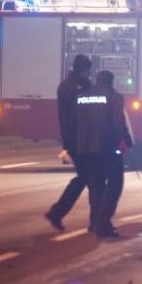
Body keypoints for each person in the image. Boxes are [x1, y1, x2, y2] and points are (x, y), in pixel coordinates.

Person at [75, 70, 133, 238]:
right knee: (115, 183)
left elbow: (75, 122)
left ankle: (94, 222)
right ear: (111, 81)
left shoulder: (82, 97)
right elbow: (118, 122)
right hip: (107, 147)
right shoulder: (113, 97)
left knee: (95, 184)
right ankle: (103, 221)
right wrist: (126, 140)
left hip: (86, 148)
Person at [45, 54, 92, 231]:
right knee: (89, 177)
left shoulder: (65, 85)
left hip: (72, 139)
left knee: (86, 177)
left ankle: (58, 212)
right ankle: (58, 212)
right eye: (88, 71)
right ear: (84, 70)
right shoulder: (80, 87)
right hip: (81, 140)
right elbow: (83, 114)